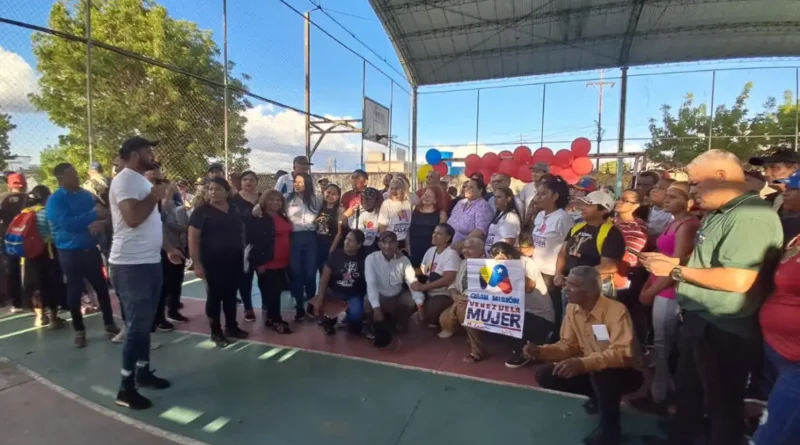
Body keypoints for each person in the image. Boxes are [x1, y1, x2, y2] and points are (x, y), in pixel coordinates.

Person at [641, 149, 783, 445]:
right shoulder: (722, 213)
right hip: (700, 320)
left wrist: (676, 271)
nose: (691, 192)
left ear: (721, 177)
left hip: (724, 327)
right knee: (689, 394)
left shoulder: (751, 215)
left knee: (722, 408)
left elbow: (739, 279)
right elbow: (708, 263)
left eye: (695, 184)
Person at [526, 266, 643, 445]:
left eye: (572, 285)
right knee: (546, 375)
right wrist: (541, 352)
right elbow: (568, 346)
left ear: (589, 292)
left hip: (626, 371)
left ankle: (610, 432)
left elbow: (622, 354)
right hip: (591, 366)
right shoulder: (572, 308)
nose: (565, 288)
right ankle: (598, 398)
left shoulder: (616, 310)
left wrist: (583, 364)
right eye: (567, 283)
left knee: (602, 373)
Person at [108, 136, 172, 410]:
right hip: (131, 265)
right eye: (148, 149)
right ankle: (126, 387)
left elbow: (151, 222)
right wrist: (155, 195)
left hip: (149, 261)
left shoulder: (140, 180)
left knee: (145, 323)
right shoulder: (124, 180)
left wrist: (168, 248)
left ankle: (143, 372)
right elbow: (132, 218)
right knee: (136, 326)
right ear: (135, 153)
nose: (152, 153)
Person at [636, 182, 700, 410]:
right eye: (667, 195)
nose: (667, 199)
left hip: (670, 290)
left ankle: (660, 396)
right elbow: (663, 257)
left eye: (674, 196)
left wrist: (653, 289)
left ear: (688, 202)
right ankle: (662, 392)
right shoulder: (674, 223)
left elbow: (678, 263)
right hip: (659, 286)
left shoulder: (688, 225)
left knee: (663, 345)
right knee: (660, 344)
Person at [46, 163, 119, 348]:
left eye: (76, 173)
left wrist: (101, 222)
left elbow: (103, 214)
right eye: (72, 175)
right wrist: (92, 216)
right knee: (74, 291)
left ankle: (109, 324)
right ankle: (79, 330)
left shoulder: (87, 195)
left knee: (102, 288)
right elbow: (68, 224)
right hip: (69, 253)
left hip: (90, 249)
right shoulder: (55, 200)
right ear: (61, 178)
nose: (77, 177)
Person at [753, 182, 800, 443]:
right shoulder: (795, 235)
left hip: (797, 363)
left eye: (792, 189)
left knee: (772, 437)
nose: (785, 193)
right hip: (780, 353)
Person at [188, 177, 249, 347]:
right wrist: (197, 263)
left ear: (227, 192)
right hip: (212, 261)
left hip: (234, 260)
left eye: (218, 189)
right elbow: (193, 238)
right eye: (210, 189)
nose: (213, 192)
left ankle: (232, 327)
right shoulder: (201, 211)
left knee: (230, 296)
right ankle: (216, 331)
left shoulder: (234, 209)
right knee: (215, 297)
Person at [486, 242, 555, 369]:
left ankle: (523, 350)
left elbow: (529, 287)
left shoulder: (526, 263)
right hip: (519, 309)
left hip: (538, 314)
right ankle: (520, 343)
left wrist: (509, 267)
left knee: (511, 316)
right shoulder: (495, 267)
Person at [554, 191, 626, 304]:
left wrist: (579, 278)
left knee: (593, 321)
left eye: (589, 205)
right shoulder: (576, 227)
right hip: (570, 286)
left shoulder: (611, 233)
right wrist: (558, 273)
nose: (583, 208)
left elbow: (609, 267)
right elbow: (563, 253)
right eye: (583, 204)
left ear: (603, 210)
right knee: (569, 320)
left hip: (594, 290)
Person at [528, 176, 574, 330]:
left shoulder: (563, 219)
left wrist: (559, 274)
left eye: (543, 194)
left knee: (554, 313)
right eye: (537, 193)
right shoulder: (540, 216)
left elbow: (567, 249)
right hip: (536, 271)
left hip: (553, 276)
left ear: (555, 196)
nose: (537, 198)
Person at [246, 190, 292, 334]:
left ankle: (271, 318)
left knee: (275, 291)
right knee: (273, 292)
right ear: (264, 201)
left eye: (278, 200)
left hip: (282, 260)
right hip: (268, 262)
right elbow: (254, 241)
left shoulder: (282, 216)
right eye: (271, 200)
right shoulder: (259, 218)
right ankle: (276, 320)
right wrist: (259, 263)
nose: (275, 202)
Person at [21, 185, 66, 329]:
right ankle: (53, 319)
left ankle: (40, 317)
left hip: (28, 256)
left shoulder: (24, 212)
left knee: (35, 285)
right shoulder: (47, 213)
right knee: (51, 284)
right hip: (48, 253)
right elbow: (55, 233)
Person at [364, 231, 424, 338]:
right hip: (380, 295)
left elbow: (412, 282)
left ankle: (398, 322)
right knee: (368, 300)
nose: (387, 246)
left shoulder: (404, 260)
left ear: (396, 244)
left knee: (410, 301)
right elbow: (371, 283)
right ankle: (373, 325)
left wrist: (420, 305)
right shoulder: (371, 259)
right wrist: (376, 309)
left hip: (397, 295)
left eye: (391, 243)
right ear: (379, 244)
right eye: (384, 242)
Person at [438, 237, 486, 360]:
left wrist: (458, 302)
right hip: (460, 300)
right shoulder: (463, 262)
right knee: (444, 319)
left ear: (480, 250)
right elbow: (453, 285)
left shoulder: (487, 265)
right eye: (464, 247)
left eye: (469, 248)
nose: (464, 250)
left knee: (462, 310)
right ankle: (469, 333)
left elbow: (484, 290)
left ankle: (476, 351)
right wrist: (454, 295)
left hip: (479, 304)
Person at [612, 190, 649, 345]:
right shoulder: (611, 221)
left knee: (623, 318)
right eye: (619, 198)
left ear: (636, 205)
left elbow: (627, 253)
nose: (619, 202)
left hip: (626, 275)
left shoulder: (637, 227)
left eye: (625, 200)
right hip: (608, 275)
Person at [315, 229, 368, 336]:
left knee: (355, 322)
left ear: (359, 245)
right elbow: (324, 278)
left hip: (353, 295)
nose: (346, 242)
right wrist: (319, 298)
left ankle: (349, 319)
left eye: (351, 240)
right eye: (346, 239)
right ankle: (329, 320)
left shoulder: (365, 259)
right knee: (320, 309)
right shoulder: (335, 255)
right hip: (335, 293)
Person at [286, 172, 321, 320]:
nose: (297, 184)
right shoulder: (286, 198)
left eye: (300, 182)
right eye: (295, 181)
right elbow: (268, 203)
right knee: (297, 274)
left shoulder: (316, 199)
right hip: (294, 238)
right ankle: (299, 306)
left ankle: (311, 305)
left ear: (307, 183)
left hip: (311, 238)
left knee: (311, 275)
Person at [414, 223, 459, 328]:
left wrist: (424, 287)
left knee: (428, 315)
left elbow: (448, 279)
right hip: (429, 291)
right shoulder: (430, 250)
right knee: (411, 301)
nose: (434, 235)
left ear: (447, 238)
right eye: (434, 232)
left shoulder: (451, 254)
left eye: (439, 234)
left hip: (445, 294)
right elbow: (423, 271)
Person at [230, 170, 260, 322]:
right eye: (245, 179)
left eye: (252, 180)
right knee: (245, 277)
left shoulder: (262, 198)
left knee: (265, 276)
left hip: (261, 243)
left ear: (256, 182)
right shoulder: (234, 200)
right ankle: (248, 307)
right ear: (241, 182)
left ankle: (268, 305)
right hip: (243, 244)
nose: (248, 182)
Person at [159, 180, 190, 325]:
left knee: (177, 280)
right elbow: (167, 225)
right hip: (167, 247)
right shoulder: (160, 207)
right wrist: (184, 228)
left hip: (179, 246)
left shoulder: (176, 205)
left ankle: (173, 308)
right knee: (166, 282)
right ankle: (161, 316)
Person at [0, 172, 27, 312]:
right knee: (31, 268)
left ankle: (16, 303)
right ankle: (33, 300)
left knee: (12, 269)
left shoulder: (3, 199)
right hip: (29, 237)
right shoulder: (30, 199)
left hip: (10, 239)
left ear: (9, 185)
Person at [447, 177, 494, 251]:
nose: (467, 189)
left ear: (480, 190)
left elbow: (481, 230)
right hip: (448, 244)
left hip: (466, 248)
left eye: (471, 187)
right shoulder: (460, 203)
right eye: (466, 186)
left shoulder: (483, 206)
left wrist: (463, 243)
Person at [407, 186, 448, 269]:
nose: (425, 197)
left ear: (436, 200)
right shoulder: (415, 210)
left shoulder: (441, 214)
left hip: (430, 249)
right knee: (412, 274)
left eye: (429, 196)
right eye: (425, 195)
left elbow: (442, 235)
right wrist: (407, 245)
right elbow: (409, 229)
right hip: (413, 248)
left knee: (425, 274)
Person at [748, 146, 800, 210]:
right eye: (765, 168)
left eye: (774, 168)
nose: (767, 174)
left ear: (795, 168)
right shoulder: (771, 200)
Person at [315, 183, 345, 273]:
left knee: (329, 271)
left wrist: (332, 249)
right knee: (320, 270)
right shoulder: (320, 206)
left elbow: (339, 233)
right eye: (328, 192)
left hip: (331, 243)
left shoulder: (340, 209)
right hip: (319, 244)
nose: (330, 195)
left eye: (334, 194)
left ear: (338, 196)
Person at [484, 187, 521, 256]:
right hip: (491, 255)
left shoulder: (510, 217)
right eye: (495, 197)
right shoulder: (500, 214)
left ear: (508, 199)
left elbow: (509, 241)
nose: (495, 200)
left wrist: (500, 255)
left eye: (499, 197)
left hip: (500, 257)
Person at [378, 178, 413, 250]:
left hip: (403, 243)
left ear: (403, 189)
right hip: (390, 243)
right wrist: (387, 245)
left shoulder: (408, 203)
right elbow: (382, 228)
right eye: (392, 188)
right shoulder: (386, 204)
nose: (394, 191)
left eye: (397, 188)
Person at [345, 187, 381, 252]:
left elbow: (379, 235)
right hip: (356, 248)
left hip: (371, 248)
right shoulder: (355, 212)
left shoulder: (379, 214)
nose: (364, 201)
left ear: (375, 200)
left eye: (368, 199)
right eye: (362, 198)